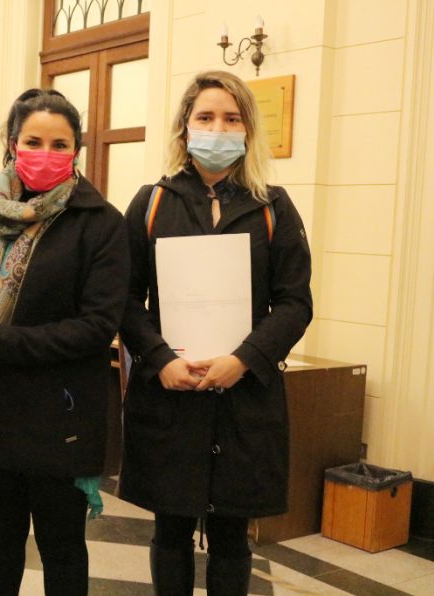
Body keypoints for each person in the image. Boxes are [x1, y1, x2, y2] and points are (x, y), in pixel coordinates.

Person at [118, 70, 313, 595]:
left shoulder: (274, 206)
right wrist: (161, 360)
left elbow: (295, 303)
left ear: (248, 129)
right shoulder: (152, 202)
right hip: (172, 393)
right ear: (184, 128)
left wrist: (246, 357)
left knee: (232, 534)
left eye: (231, 118)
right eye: (205, 117)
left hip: (244, 396)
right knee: (171, 529)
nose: (218, 128)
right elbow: (126, 301)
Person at [0, 89, 130, 596]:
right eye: (34, 141)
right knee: (0, 540)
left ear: (77, 150)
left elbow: (98, 326)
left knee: (61, 546)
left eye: (60, 144)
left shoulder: (100, 222)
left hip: (61, 419)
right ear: (12, 144)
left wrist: (4, 340)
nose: (46, 154)